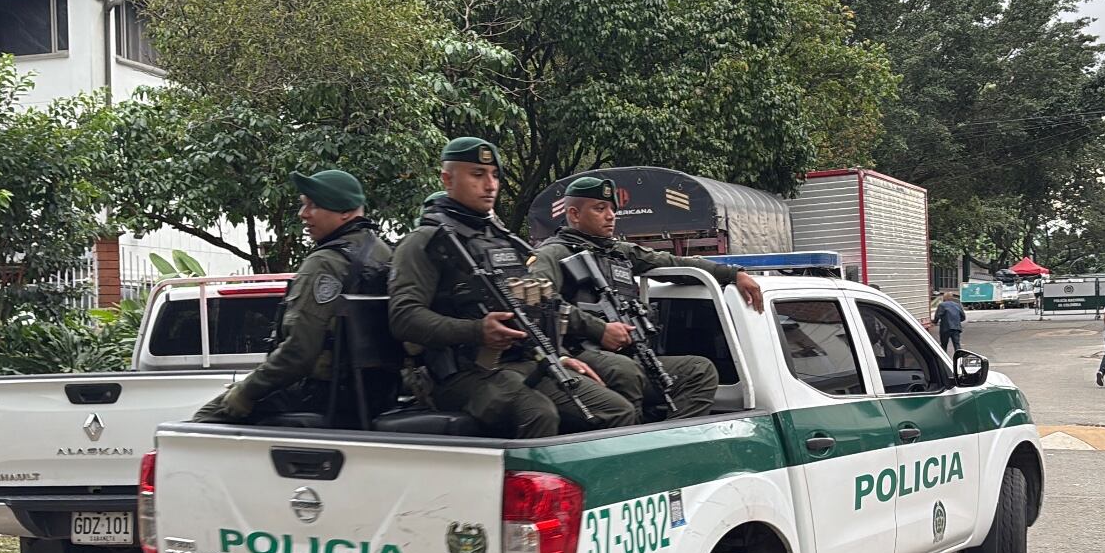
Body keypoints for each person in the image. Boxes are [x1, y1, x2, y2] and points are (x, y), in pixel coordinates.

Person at [388, 138, 638, 438]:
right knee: (537, 414)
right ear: (447, 178)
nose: (490, 185)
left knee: (618, 411)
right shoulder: (424, 241)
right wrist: (477, 330)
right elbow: (404, 318)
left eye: (494, 175)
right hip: (460, 375)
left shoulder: (502, 239)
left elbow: (538, 304)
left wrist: (557, 355)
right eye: (477, 174)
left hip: (524, 362)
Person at [526, 176, 763, 420]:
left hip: (629, 354)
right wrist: (600, 329)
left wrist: (733, 273)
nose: (610, 216)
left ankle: (672, 445)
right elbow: (539, 304)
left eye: (612, 209)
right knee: (626, 372)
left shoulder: (617, 252)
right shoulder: (552, 253)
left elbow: (674, 264)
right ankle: (636, 445)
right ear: (574, 214)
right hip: (579, 354)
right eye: (600, 209)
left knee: (699, 370)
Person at [194, 170, 391, 424]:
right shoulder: (382, 252)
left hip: (323, 394)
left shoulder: (325, 263)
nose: (303, 214)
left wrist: (246, 391)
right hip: (376, 394)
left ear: (345, 211)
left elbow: (299, 352)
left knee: (203, 421)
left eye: (314, 205)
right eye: (303, 204)